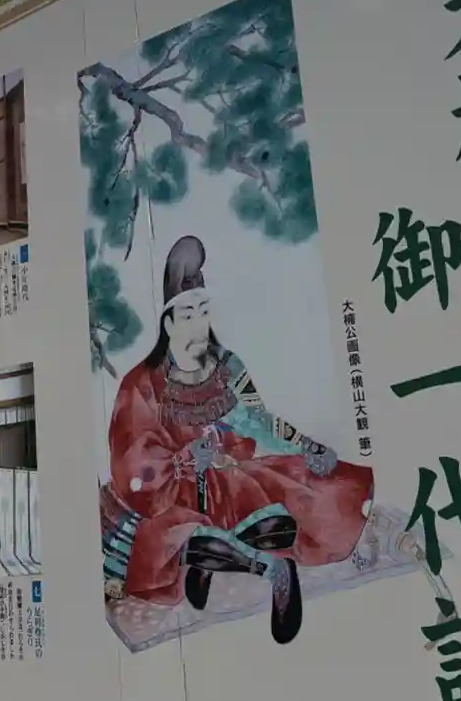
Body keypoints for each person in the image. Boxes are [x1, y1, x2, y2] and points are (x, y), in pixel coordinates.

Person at [107, 235, 373, 645]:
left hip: (227, 481)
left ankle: (211, 564)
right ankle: (268, 569)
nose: (197, 326)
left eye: (203, 313)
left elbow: (258, 422)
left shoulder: (227, 367)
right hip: (169, 496)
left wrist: (306, 446)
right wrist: (180, 462)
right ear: (169, 324)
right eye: (187, 315)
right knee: (175, 539)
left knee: (285, 510)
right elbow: (131, 460)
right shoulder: (142, 384)